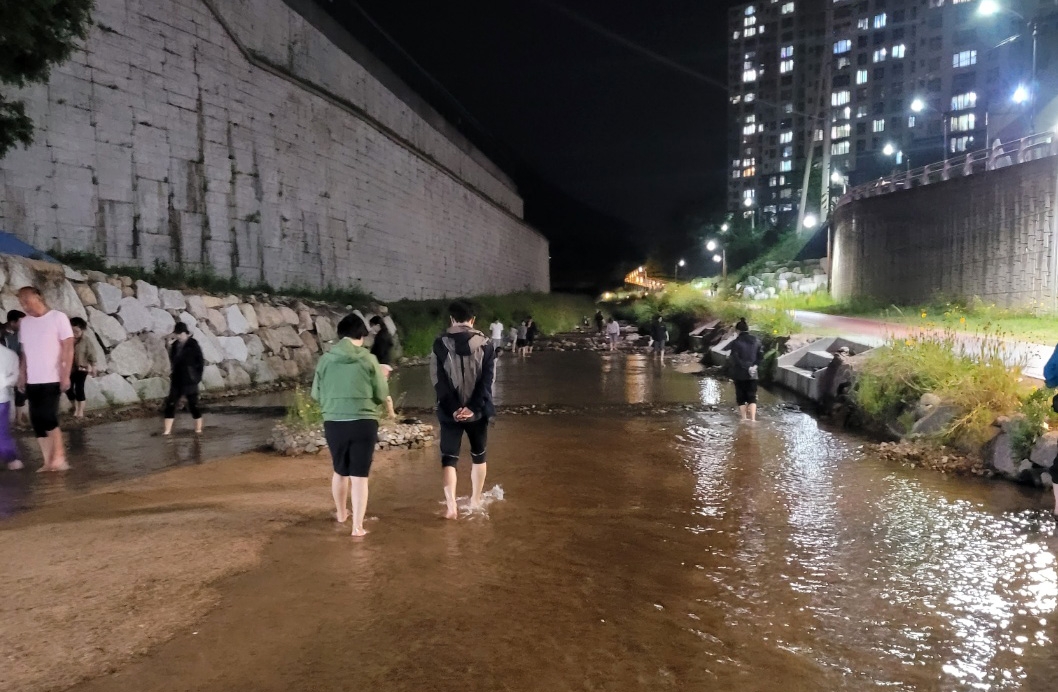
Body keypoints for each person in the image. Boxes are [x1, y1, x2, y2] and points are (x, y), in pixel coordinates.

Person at [312, 314, 390, 537]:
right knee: (359, 476)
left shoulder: (325, 360)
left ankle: (340, 514)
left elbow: (316, 394)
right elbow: (381, 393)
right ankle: (357, 527)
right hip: (364, 422)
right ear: (362, 335)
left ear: (340, 335)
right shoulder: (368, 360)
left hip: (334, 422)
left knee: (339, 471)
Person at [430, 300, 496, 519]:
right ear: (473, 320)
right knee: (479, 456)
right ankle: (476, 501)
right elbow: (487, 382)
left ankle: (451, 507)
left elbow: (438, 382)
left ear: (452, 319)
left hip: (450, 413)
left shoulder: (439, 344)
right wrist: (472, 408)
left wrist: (455, 409)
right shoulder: (487, 344)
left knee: (449, 458)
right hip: (478, 412)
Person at [16, 287, 74, 472]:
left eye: (27, 300)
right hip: (33, 378)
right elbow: (25, 353)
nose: (24, 305)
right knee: (36, 421)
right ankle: (47, 461)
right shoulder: (25, 323)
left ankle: (59, 457)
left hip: (53, 376)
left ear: (38, 296)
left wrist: (65, 374)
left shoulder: (58, 317)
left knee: (48, 416)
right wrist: (22, 374)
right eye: (21, 302)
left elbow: (68, 347)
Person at [163, 322, 205, 436]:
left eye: (180, 334)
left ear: (185, 333)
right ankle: (167, 432)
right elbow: (173, 361)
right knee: (170, 404)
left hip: (190, 380)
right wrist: (169, 346)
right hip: (177, 379)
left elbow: (200, 362)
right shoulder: (175, 345)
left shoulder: (193, 344)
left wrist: (197, 377)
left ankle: (198, 431)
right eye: (177, 334)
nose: (178, 336)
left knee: (193, 406)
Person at [728, 318, 764, 422]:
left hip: (740, 374)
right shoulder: (757, 341)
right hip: (753, 374)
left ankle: (744, 419)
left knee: (741, 397)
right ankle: (753, 420)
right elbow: (760, 356)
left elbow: (735, 358)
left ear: (737, 331)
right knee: (752, 397)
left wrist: (746, 367)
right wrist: (754, 367)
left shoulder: (736, 342)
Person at [66, 317, 97, 418]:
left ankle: (80, 411)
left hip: (81, 368)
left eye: (76, 331)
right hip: (69, 369)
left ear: (82, 330)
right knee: (68, 388)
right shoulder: (66, 340)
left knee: (79, 388)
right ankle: (74, 406)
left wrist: (94, 367)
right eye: (72, 330)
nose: (74, 333)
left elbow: (92, 354)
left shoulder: (86, 341)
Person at [368, 316, 397, 419]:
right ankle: (389, 412)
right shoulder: (386, 334)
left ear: (377, 325)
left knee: (381, 389)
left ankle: (391, 413)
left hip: (381, 364)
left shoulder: (380, 337)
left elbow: (379, 352)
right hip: (386, 364)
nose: (371, 328)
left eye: (372, 325)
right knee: (382, 388)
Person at [3, 311, 28, 425]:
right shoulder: (2, 333)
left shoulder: (20, 334)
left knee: (21, 390)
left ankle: (19, 418)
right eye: (21, 323)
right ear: (12, 322)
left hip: (16, 367)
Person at [0, 342, 22, 470]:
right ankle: (12, 460)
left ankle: (12, 458)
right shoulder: (10, 354)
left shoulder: (9, 354)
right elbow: (15, 377)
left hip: (1, 400)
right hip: (2, 399)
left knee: (1, 433)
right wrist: (4, 383)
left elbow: (14, 377)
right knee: (1, 432)